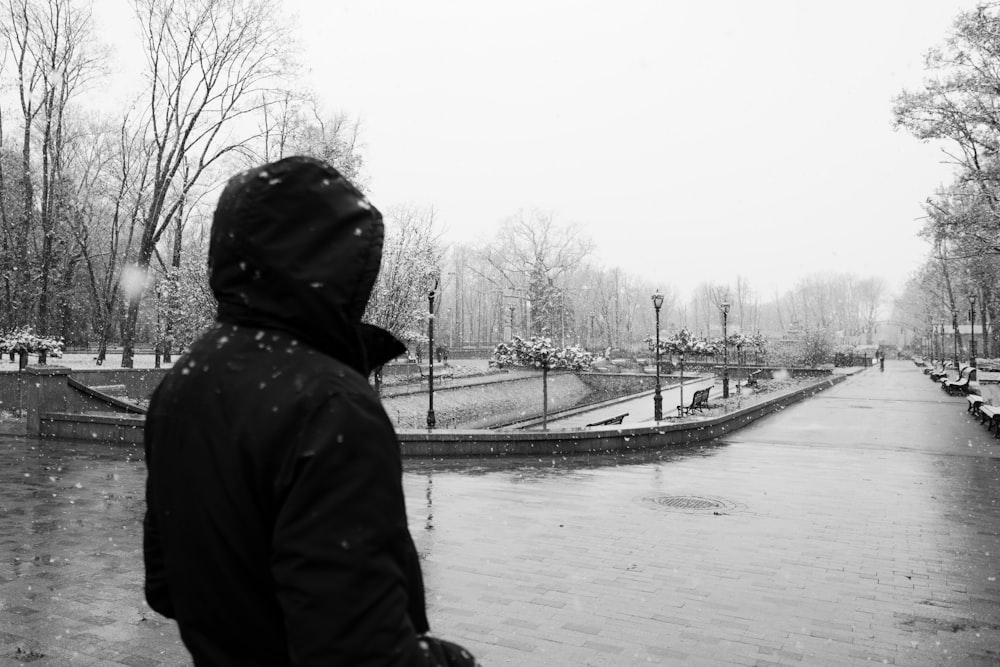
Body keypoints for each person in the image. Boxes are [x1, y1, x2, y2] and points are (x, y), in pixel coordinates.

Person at [143, 156, 478, 666]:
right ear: (343, 265)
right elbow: (358, 654)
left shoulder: (189, 377)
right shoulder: (331, 406)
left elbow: (165, 586)